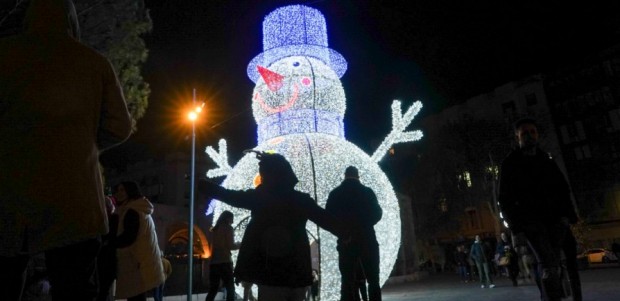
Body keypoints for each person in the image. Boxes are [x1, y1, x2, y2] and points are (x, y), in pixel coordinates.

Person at [0, 0, 132, 299]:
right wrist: (82, 143)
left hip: (11, 193)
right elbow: (120, 127)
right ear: (71, 20)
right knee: (75, 285)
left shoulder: (6, 54)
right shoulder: (94, 63)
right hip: (76, 198)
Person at [199, 152, 347, 301]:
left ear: (269, 176)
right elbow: (326, 220)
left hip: (270, 272)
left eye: (263, 175)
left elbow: (229, 196)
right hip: (296, 271)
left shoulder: (260, 198)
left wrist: (203, 185)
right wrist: (349, 234)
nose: (261, 178)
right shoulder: (300, 200)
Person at [498, 117, 581, 301]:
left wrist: (569, 216)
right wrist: (516, 228)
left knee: (564, 261)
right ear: (517, 137)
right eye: (524, 133)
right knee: (548, 264)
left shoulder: (546, 159)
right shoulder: (510, 164)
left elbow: (562, 188)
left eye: (532, 132)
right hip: (531, 224)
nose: (529, 136)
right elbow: (504, 199)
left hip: (557, 220)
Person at [325, 166, 382, 301]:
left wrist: (342, 232)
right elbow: (378, 213)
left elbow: (328, 218)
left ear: (345, 176)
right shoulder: (367, 192)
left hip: (346, 241)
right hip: (367, 239)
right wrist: (364, 225)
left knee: (347, 281)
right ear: (358, 176)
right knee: (373, 280)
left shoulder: (335, 194)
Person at [113, 181, 165, 301]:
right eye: (118, 190)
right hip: (141, 262)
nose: (119, 193)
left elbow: (128, 237)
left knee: (136, 296)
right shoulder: (139, 208)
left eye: (123, 190)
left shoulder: (132, 211)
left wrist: (109, 243)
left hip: (135, 263)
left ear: (130, 191)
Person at [205, 210, 240, 301]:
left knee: (213, 289)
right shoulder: (228, 228)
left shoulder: (213, 230)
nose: (233, 220)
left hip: (214, 263)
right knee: (230, 289)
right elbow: (230, 245)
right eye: (232, 218)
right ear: (228, 218)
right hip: (225, 261)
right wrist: (240, 244)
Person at [97, 196, 120, 301]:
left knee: (103, 291)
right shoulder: (112, 220)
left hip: (107, 261)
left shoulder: (113, 220)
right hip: (105, 261)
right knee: (104, 291)